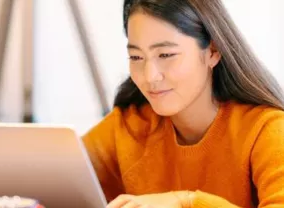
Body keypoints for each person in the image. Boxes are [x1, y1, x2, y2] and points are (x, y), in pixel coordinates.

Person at [83, 0, 284, 207]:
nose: (150, 76)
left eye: (166, 55)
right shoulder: (128, 126)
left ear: (213, 51)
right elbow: (55, 179)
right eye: (136, 57)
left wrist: (187, 202)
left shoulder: (268, 130)